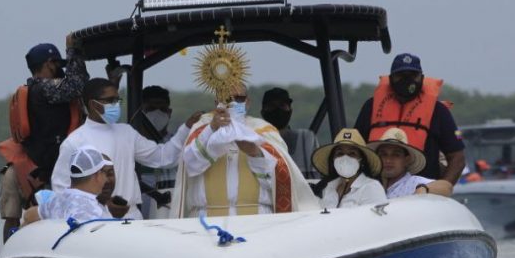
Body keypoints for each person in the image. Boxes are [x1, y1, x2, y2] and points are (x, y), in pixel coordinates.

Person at [51, 78, 195, 220]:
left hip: (132, 216)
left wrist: (186, 129)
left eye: (117, 100)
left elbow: (162, 157)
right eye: (110, 100)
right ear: (92, 104)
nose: (115, 105)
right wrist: (100, 204)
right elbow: (61, 189)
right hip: (97, 219)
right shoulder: (75, 141)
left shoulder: (126, 132)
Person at [173, 85, 319, 217]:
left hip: (257, 221)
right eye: (227, 98)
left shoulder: (264, 130)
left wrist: (255, 153)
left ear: (247, 102)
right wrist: (212, 130)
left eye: (239, 99)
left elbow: (280, 176)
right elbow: (191, 165)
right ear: (217, 102)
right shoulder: (202, 128)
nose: (233, 103)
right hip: (206, 220)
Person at [0, 39, 90, 241]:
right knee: (29, 219)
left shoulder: (34, 90)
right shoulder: (44, 89)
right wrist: (74, 52)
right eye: (59, 64)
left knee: (12, 220)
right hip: (43, 169)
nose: (62, 69)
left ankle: (8, 250)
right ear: (49, 64)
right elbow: (77, 85)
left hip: (27, 164)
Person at [354, 53, 465, 183]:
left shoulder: (438, 110)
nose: (407, 80)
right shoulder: (371, 107)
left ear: (422, 78)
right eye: (400, 76)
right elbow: (354, 149)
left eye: (413, 75)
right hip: (376, 191)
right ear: (390, 79)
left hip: (422, 194)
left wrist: (442, 188)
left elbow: (458, 157)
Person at [23, 146, 114, 226]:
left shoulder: (57, 201)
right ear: (98, 175)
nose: (106, 179)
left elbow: (28, 215)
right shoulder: (90, 210)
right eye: (105, 174)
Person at [131, 85, 179, 218]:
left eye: (162, 109)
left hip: (169, 210)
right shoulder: (130, 143)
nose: (157, 113)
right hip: (137, 211)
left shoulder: (178, 144)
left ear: (169, 112)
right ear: (141, 112)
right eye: (151, 109)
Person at [311, 129, 388, 209]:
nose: (345, 158)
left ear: (361, 160)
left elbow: (374, 220)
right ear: (333, 159)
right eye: (340, 153)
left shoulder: (371, 188)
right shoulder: (329, 187)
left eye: (352, 153)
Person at [369, 128, 453, 199]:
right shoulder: (372, 186)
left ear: (407, 160)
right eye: (383, 154)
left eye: (396, 155)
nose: (388, 160)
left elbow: (447, 187)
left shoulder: (414, 182)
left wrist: (423, 189)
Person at [260, 87, 320, 180]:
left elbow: (316, 178)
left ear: (290, 110)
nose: (277, 110)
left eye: (282, 105)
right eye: (272, 106)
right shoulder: (255, 140)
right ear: (263, 112)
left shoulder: (306, 138)